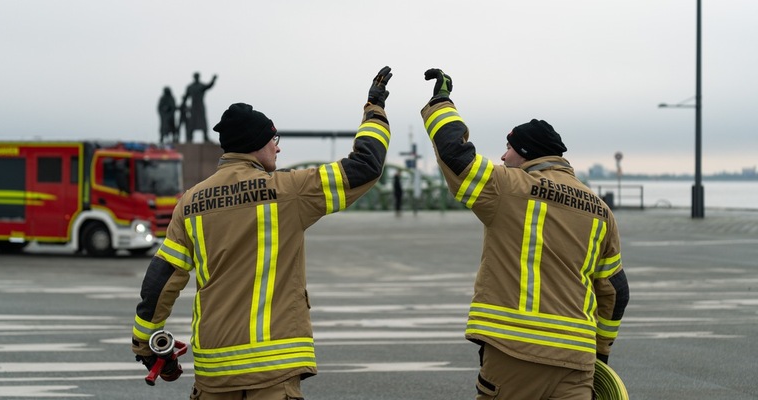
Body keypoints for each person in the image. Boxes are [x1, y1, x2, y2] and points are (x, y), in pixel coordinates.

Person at [131, 66, 393, 399]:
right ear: (258, 144)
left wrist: (146, 343)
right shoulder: (288, 191)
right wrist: (375, 109)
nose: (278, 149)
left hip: (213, 371)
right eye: (274, 140)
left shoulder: (190, 202)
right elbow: (365, 166)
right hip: (273, 369)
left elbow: (161, 278)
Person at [420, 69, 629, 400]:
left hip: (514, 354)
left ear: (528, 153)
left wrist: (441, 102)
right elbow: (616, 291)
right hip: (577, 362)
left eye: (509, 148)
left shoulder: (509, 187)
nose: (503, 156)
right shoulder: (600, 210)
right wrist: (600, 353)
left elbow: (455, 156)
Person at [184, 72, 218, 143]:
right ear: (194, 77)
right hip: (193, 107)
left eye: (197, 76)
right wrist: (183, 106)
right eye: (196, 76)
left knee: (203, 122)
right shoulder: (190, 87)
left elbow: (209, 86)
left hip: (200, 106)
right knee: (192, 122)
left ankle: (205, 136)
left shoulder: (201, 86)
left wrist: (213, 80)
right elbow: (186, 97)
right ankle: (189, 137)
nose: (196, 77)